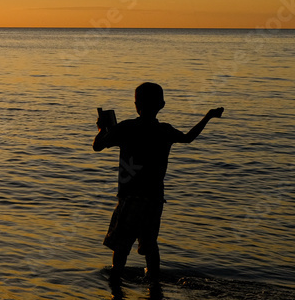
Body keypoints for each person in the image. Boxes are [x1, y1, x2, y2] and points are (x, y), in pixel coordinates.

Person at [93, 82, 223, 283]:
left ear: (136, 104)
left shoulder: (126, 128)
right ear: (162, 105)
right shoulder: (164, 131)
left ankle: (116, 284)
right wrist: (208, 116)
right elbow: (189, 138)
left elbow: (97, 146)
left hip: (130, 197)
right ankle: (153, 284)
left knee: (121, 246)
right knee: (150, 245)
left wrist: (102, 129)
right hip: (155, 199)